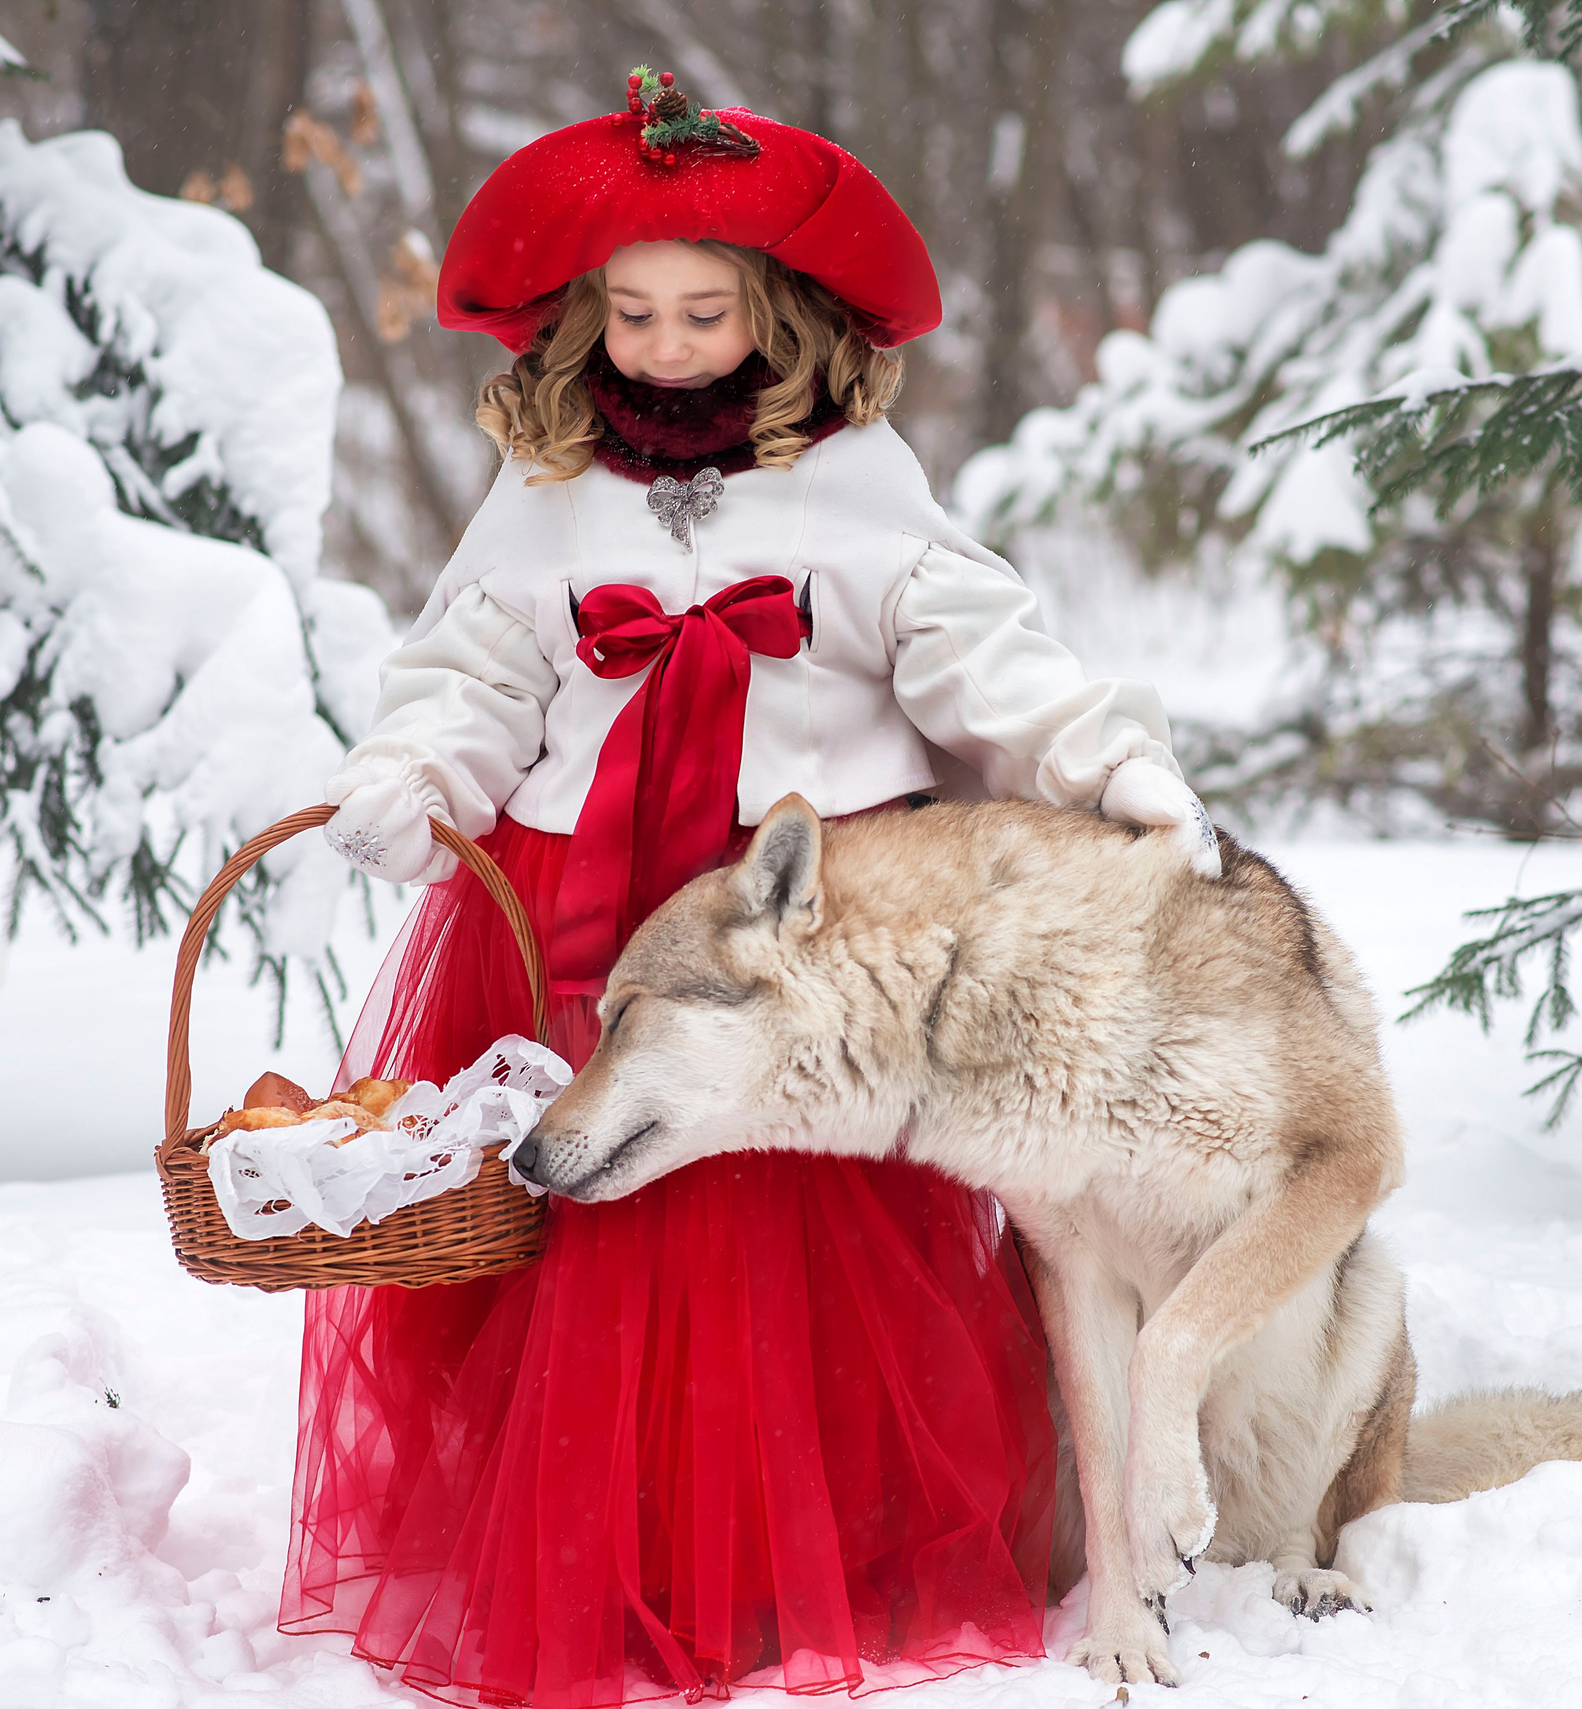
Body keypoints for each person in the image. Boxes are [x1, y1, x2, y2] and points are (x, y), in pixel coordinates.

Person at [280, 68, 1219, 1709]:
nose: (664, 346)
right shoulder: (547, 487)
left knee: (811, 1251)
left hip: (806, 931)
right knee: (588, 1247)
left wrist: (1103, 759)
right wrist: (418, 777)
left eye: (704, 314)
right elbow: (477, 670)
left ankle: (822, 1545)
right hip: (585, 904)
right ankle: (604, 1555)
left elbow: (978, 651)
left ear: (776, 312)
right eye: (632, 314)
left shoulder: (856, 479)